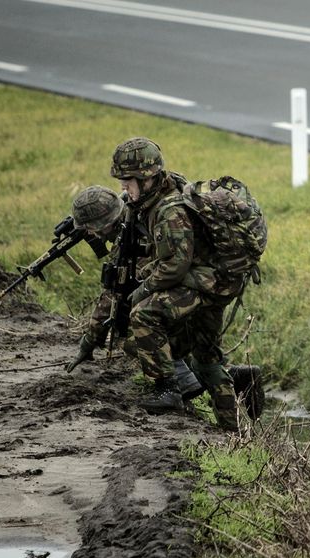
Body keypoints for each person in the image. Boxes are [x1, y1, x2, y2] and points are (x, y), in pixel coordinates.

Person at [109, 136, 242, 427]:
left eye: (128, 182)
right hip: (217, 283)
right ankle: (233, 432)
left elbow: (174, 267)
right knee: (207, 356)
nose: (124, 188)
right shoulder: (165, 193)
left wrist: (141, 289)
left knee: (144, 314)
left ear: (147, 179)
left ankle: (168, 389)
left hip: (205, 285)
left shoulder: (169, 210)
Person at [66, 185, 202, 400]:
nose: (91, 235)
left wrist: (88, 342)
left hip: (188, 295)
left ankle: (181, 384)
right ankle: (229, 377)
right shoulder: (139, 214)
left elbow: (112, 296)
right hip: (193, 289)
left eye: (91, 229)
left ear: (104, 226)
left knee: (132, 340)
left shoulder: (131, 239)